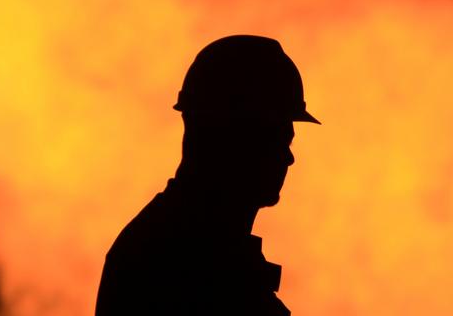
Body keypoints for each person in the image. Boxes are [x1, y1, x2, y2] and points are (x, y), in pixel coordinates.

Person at [95, 35, 319, 315]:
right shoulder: (178, 260)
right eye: (276, 139)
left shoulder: (204, 249)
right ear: (228, 135)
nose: (288, 158)